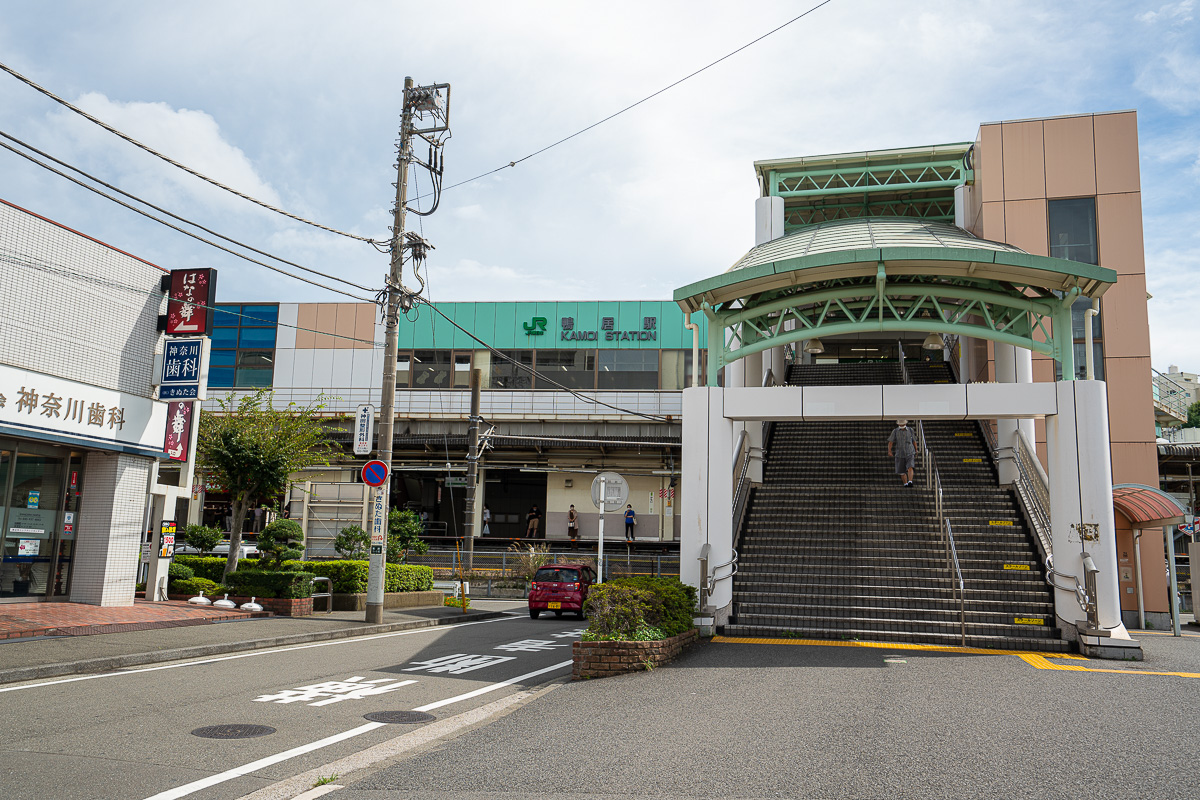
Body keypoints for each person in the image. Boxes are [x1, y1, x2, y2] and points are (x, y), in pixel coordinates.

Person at [887, 419, 916, 487]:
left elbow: (914, 440)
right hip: (899, 453)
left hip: (910, 451)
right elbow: (890, 442)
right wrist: (889, 451)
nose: (902, 425)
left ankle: (910, 481)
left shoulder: (910, 430)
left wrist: (916, 449)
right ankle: (905, 483)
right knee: (901, 471)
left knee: (910, 466)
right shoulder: (895, 431)